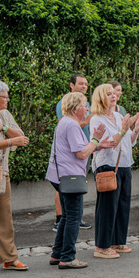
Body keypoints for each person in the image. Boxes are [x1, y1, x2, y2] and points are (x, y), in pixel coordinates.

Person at [46, 92, 113, 269]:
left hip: (60, 176)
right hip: (70, 177)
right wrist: (96, 139)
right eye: (84, 106)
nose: (87, 110)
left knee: (67, 216)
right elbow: (81, 153)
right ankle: (68, 257)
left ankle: (57, 254)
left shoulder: (65, 122)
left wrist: (97, 145)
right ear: (75, 108)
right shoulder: (71, 125)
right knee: (74, 217)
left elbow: (80, 148)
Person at [90, 84, 139, 259]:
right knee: (107, 207)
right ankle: (102, 246)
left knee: (123, 206)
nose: (113, 96)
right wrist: (123, 130)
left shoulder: (118, 116)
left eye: (114, 93)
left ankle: (117, 241)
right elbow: (110, 143)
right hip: (107, 165)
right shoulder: (97, 119)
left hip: (124, 164)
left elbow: (128, 141)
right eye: (109, 94)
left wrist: (136, 130)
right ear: (101, 98)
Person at [0, 81, 30, 271]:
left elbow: (21, 137)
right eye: (5, 96)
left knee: (4, 220)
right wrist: (9, 142)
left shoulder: (4, 115)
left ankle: (9, 259)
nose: (8, 99)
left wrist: (2, 128)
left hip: (2, 174)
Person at [53, 74, 93, 232]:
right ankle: (60, 219)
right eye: (81, 83)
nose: (84, 86)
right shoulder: (64, 102)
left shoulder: (86, 102)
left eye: (86, 84)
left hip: (85, 148)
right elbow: (65, 123)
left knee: (78, 185)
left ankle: (77, 218)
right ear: (72, 85)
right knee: (65, 186)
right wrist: (87, 121)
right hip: (73, 153)